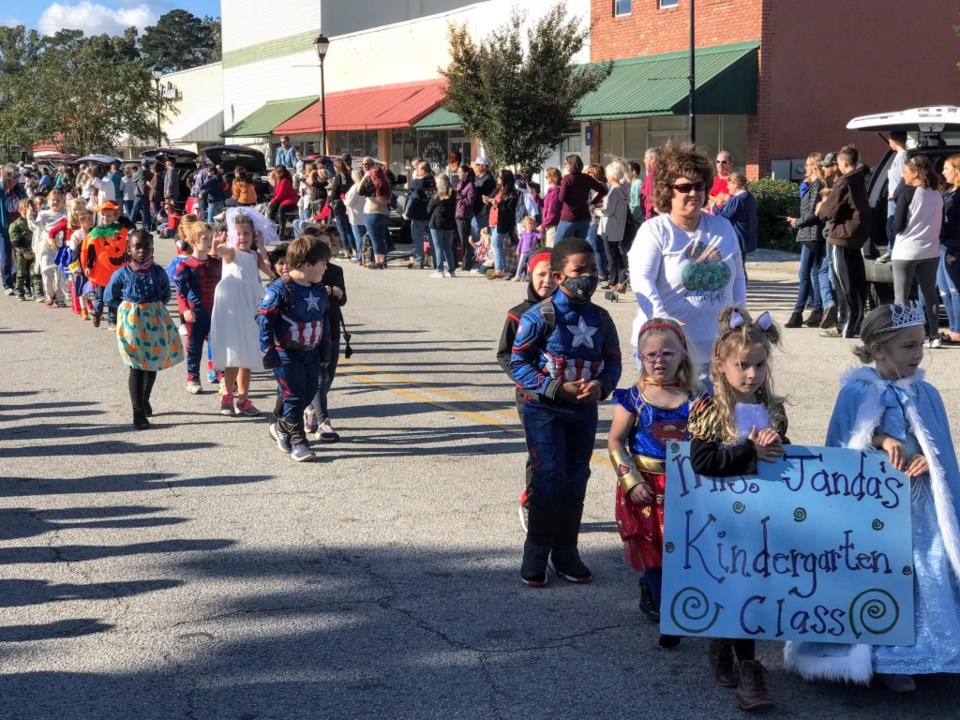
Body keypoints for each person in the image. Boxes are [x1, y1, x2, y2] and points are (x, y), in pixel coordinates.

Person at [785, 302, 960, 693]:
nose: (917, 354)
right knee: (880, 571)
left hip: (921, 506)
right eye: (908, 347)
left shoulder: (926, 392)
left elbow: (941, 448)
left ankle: (930, 652)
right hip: (874, 511)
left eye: (920, 346)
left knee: (926, 568)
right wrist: (880, 439)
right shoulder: (856, 393)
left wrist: (930, 463)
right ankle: (884, 658)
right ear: (879, 349)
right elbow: (844, 447)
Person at [509, 238, 622, 586]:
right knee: (549, 477)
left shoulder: (601, 318)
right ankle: (536, 552)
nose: (587, 277)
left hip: (583, 412)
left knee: (576, 478)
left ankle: (566, 552)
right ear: (558, 276)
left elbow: (613, 364)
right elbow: (517, 363)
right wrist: (555, 388)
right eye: (578, 271)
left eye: (592, 270)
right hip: (543, 409)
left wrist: (601, 387)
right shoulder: (539, 316)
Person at [689, 307, 786, 711]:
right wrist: (749, 450)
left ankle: (736, 654)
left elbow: (786, 461)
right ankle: (736, 656)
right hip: (721, 516)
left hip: (760, 515)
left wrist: (778, 449)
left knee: (752, 585)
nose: (752, 375)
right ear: (721, 364)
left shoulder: (774, 408)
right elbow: (703, 463)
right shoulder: (711, 410)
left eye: (759, 365)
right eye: (742, 366)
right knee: (733, 582)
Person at [607, 317, 695, 646]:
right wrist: (630, 480)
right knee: (652, 546)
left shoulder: (697, 397)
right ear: (641, 357)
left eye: (667, 354)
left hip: (687, 486)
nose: (659, 361)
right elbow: (615, 441)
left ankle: (679, 600)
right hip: (646, 485)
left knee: (683, 545)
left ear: (682, 354)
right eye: (651, 355)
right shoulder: (634, 398)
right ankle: (661, 603)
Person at [627, 143, 746, 369]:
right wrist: (662, 321)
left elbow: (738, 276)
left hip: (718, 351)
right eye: (684, 187)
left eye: (699, 186)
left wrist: (739, 315)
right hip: (668, 351)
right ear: (667, 191)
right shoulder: (655, 230)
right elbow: (642, 280)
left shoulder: (723, 228)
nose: (693, 193)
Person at [496, 249, 556, 530]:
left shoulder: (570, 312)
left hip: (566, 395)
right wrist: (533, 381)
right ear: (530, 276)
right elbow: (505, 355)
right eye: (540, 274)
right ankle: (532, 504)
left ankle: (561, 507)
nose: (547, 281)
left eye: (553, 274)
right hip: (532, 397)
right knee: (541, 453)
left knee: (565, 455)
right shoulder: (519, 314)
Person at [259, 234, 331, 462]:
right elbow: (264, 321)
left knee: (310, 392)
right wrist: (268, 352)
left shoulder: (318, 289)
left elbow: (323, 320)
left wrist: (325, 349)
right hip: (286, 353)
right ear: (307, 265)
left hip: (310, 351)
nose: (326, 267)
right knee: (293, 397)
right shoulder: (280, 290)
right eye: (323, 263)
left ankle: (282, 425)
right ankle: (299, 442)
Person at [103, 229, 184, 429]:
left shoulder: (158, 272)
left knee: (152, 361)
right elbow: (109, 297)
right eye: (137, 246)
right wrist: (126, 309)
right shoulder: (122, 274)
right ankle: (137, 410)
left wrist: (152, 308)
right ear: (129, 249)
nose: (142, 250)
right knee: (136, 365)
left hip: (155, 321)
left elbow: (165, 294)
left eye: (146, 246)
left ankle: (146, 397)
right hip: (132, 324)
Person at [210, 210, 272, 416]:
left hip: (251, 306)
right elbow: (221, 253)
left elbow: (271, 271)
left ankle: (243, 399)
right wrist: (217, 244)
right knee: (234, 354)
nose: (243, 238)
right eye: (239, 234)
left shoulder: (254, 256)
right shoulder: (232, 252)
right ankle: (227, 394)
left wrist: (262, 248)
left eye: (247, 234)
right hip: (233, 309)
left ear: (253, 235)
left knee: (249, 354)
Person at [817, 145, 870, 339]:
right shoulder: (860, 180)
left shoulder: (844, 182)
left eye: (839, 162)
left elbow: (827, 211)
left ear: (845, 162)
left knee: (842, 282)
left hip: (840, 236)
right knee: (856, 282)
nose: (837, 165)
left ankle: (845, 325)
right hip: (855, 238)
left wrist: (823, 209)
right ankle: (856, 322)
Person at [890, 155, 943, 347]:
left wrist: (889, 222)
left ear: (915, 173)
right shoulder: (937, 194)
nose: (903, 177)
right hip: (930, 250)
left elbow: (897, 226)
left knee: (901, 297)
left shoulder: (907, 194)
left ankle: (900, 337)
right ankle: (934, 335)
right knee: (930, 294)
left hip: (906, 251)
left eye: (905, 173)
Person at [301, 227, 346, 443]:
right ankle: (322, 420)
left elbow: (343, 300)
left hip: (333, 328)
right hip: (312, 331)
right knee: (319, 376)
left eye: (328, 244)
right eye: (321, 244)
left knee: (328, 377)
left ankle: (310, 406)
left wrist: (338, 293)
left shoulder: (335, 271)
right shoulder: (305, 270)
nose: (326, 248)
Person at [175, 221, 222, 395]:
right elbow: (180, 293)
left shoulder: (217, 263)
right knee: (193, 347)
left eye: (211, 237)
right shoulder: (185, 266)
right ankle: (192, 378)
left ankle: (221, 374)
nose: (210, 241)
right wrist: (185, 310)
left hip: (215, 312)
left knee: (218, 345)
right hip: (195, 312)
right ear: (193, 241)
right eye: (205, 238)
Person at [786, 154, 827, 328]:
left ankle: (798, 312)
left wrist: (797, 222)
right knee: (815, 273)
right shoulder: (814, 185)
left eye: (808, 165)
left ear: (815, 166)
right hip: (811, 233)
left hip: (811, 234)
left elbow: (812, 213)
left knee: (804, 274)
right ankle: (817, 309)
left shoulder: (817, 185)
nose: (805, 168)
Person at [82, 201, 130, 329]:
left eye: (109, 215)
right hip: (101, 271)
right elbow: (91, 251)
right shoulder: (96, 232)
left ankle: (112, 321)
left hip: (115, 271)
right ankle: (96, 314)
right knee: (100, 298)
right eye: (103, 216)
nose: (106, 218)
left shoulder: (120, 230)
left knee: (114, 297)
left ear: (114, 216)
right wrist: (88, 266)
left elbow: (127, 244)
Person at [877, 131, 909, 263]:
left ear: (895, 140)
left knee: (893, 225)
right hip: (893, 197)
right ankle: (891, 250)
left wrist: (894, 193)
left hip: (896, 197)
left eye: (890, 140)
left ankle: (894, 251)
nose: (889, 142)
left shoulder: (902, 157)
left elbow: (903, 178)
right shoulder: (898, 156)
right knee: (890, 226)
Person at [597, 161, 630, 293]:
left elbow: (608, 211)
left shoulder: (613, 192)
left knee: (611, 254)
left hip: (609, 227)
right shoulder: (624, 189)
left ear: (611, 175)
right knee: (616, 253)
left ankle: (613, 281)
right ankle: (621, 280)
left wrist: (597, 211)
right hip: (619, 225)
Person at [557, 154, 606, 240]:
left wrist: (571, 204)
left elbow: (561, 198)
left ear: (571, 165)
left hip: (569, 217)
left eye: (565, 163)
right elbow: (603, 190)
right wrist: (593, 202)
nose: (564, 166)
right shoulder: (587, 178)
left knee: (559, 245)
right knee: (580, 246)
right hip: (584, 216)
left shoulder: (567, 178)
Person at [32, 189, 67, 307]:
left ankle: (60, 297)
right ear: (48, 201)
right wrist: (30, 217)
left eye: (58, 200)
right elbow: (35, 228)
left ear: (63, 201)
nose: (56, 202)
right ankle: (49, 294)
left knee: (60, 272)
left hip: (62, 245)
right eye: (53, 200)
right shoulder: (43, 214)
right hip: (47, 245)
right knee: (46, 270)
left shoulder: (66, 214)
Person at [939, 154, 960, 343]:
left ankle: (958, 330)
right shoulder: (949, 192)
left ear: (957, 170)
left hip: (953, 248)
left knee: (955, 289)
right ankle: (952, 328)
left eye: (947, 168)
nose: (943, 172)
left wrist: (955, 250)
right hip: (941, 245)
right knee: (944, 290)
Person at [719, 173, 758, 274]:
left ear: (735, 184)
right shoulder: (749, 197)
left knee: (736, 269)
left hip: (737, 238)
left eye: (729, 184)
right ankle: (742, 289)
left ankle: (739, 289)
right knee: (740, 267)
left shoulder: (737, 199)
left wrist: (715, 206)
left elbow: (723, 217)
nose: (728, 187)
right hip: (746, 237)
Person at [485, 169, 519, 280]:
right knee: (497, 244)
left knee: (495, 243)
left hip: (503, 222)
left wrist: (498, 204)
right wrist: (488, 201)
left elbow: (509, 210)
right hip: (493, 220)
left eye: (500, 177)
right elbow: (493, 201)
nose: (498, 178)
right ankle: (503, 270)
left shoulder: (511, 194)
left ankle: (499, 269)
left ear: (505, 179)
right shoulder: (498, 190)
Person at [357, 159, 392, 269]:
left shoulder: (371, 185)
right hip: (384, 213)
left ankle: (378, 262)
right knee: (381, 237)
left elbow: (359, 190)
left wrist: (364, 178)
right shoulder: (385, 185)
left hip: (372, 212)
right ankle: (382, 260)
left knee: (374, 238)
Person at [406, 161, 438, 269]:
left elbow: (407, 186)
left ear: (423, 171)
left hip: (419, 216)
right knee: (433, 240)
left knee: (417, 239)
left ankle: (418, 261)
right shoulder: (435, 181)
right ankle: (435, 261)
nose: (417, 171)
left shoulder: (417, 182)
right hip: (432, 215)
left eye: (418, 169)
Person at [1, 164, 28, 294]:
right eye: (14, 177)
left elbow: (26, 204)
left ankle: (13, 277)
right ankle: (7, 285)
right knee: (6, 258)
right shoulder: (1, 190)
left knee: (21, 255)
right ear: (6, 177)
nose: (16, 179)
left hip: (19, 227)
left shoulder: (20, 190)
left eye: (18, 176)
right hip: (4, 228)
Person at [427, 172, 457, 278]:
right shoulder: (453, 194)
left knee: (438, 247)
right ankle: (451, 270)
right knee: (447, 247)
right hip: (449, 223)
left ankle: (439, 270)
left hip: (436, 223)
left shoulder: (437, 195)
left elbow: (429, 209)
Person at [9, 199, 40, 300]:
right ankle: (19, 290)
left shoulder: (36, 222)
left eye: (30, 208)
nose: (28, 211)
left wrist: (35, 251)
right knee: (21, 272)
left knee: (35, 272)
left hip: (34, 251)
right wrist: (24, 252)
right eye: (25, 209)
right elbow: (15, 241)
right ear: (20, 210)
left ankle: (38, 292)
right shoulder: (16, 224)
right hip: (22, 253)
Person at [329, 157, 354, 261]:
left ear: (336, 167)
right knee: (349, 228)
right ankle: (354, 249)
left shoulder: (338, 177)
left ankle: (347, 251)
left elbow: (334, 192)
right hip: (347, 203)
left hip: (339, 204)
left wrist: (330, 197)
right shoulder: (348, 176)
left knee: (342, 229)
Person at [472, 156, 497, 252]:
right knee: (475, 235)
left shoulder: (488, 180)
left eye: (477, 165)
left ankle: (478, 257)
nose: (475, 166)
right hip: (475, 210)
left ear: (483, 166)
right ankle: (477, 256)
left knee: (480, 236)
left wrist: (483, 210)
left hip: (481, 212)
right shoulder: (477, 178)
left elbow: (489, 197)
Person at [454, 164, 477, 272]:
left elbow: (470, 201)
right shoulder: (459, 184)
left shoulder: (470, 185)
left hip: (464, 215)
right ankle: (455, 263)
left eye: (460, 172)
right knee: (455, 239)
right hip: (456, 214)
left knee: (465, 240)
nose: (458, 174)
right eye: (458, 172)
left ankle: (466, 264)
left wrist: (459, 197)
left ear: (466, 173)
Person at [266, 165, 298, 239]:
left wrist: (273, 200)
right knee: (272, 208)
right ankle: (271, 227)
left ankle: (282, 232)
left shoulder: (285, 181)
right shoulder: (280, 181)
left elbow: (280, 194)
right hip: (283, 199)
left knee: (281, 210)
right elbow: (277, 193)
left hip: (290, 199)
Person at [344, 168, 366, 264]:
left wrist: (344, 201)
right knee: (363, 236)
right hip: (363, 213)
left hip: (356, 214)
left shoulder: (356, 186)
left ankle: (360, 257)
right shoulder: (364, 185)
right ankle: (365, 256)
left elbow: (349, 201)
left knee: (359, 237)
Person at [537, 166, 562, 247]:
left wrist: (542, 225)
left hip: (553, 225)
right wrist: (535, 196)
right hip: (549, 224)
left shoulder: (555, 192)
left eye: (547, 176)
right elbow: (543, 204)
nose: (546, 178)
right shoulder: (551, 191)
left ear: (552, 177)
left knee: (551, 249)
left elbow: (552, 213)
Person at [512, 216, 542, 282]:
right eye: (528, 224)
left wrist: (539, 231)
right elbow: (520, 242)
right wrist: (518, 249)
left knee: (529, 264)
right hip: (524, 251)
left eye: (531, 224)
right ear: (525, 225)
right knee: (521, 263)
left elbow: (540, 236)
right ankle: (517, 275)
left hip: (532, 251)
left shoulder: (535, 233)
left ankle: (528, 276)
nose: (530, 225)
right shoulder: (523, 233)